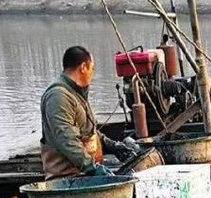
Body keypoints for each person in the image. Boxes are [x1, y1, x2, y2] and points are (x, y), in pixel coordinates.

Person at [40, 45, 141, 178]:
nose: (93, 74)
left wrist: (111, 145)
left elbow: (89, 131)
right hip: (68, 179)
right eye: (92, 69)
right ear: (83, 67)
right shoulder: (58, 96)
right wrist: (92, 168)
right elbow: (65, 140)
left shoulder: (77, 93)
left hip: (85, 174)